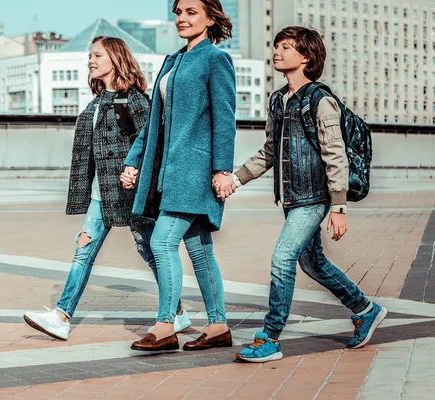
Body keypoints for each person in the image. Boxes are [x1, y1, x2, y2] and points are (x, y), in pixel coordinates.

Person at [234, 26, 387, 363]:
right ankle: (365, 308)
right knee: (312, 262)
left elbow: (336, 156)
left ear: (305, 57)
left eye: (285, 47)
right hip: (292, 198)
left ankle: (270, 336)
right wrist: (235, 179)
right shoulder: (278, 100)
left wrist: (339, 207)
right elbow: (269, 152)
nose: (276, 51)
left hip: (315, 198)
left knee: (283, 258)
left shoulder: (321, 100)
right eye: (275, 45)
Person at [23, 36, 190, 341]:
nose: (91, 60)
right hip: (102, 196)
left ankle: (176, 314)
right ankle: (61, 316)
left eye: (97, 55)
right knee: (83, 251)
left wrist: (138, 175)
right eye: (90, 55)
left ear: (115, 59)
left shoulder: (137, 101)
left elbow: (153, 143)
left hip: (131, 192)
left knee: (150, 251)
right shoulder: (95, 103)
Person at [122, 0, 237, 352]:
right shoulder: (172, 61)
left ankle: (165, 326)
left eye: (191, 12)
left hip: (195, 172)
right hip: (169, 173)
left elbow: (225, 118)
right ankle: (218, 326)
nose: (182, 18)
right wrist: (134, 161)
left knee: (160, 242)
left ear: (210, 17)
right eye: (178, 12)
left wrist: (222, 169)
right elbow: (155, 122)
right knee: (200, 251)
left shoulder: (215, 59)